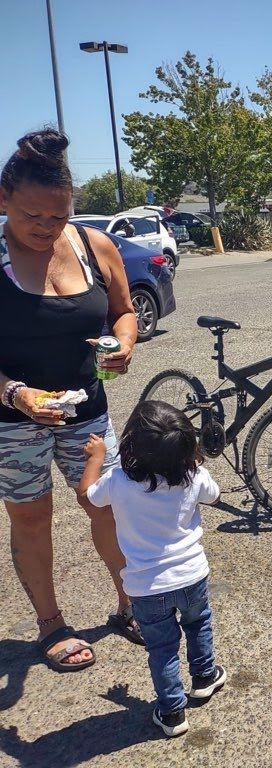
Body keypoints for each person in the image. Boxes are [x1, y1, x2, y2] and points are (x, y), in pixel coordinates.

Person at [0, 129, 140, 671]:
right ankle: (51, 623)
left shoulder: (91, 244)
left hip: (86, 408)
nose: (46, 228)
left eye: (57, 217)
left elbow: (123, 311)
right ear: (3, 200)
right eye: (33, 216)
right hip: (13, 417)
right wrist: (16, 392)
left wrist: (123, 344)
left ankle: (131, 603)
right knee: (32, 519)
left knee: (106, 504)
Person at [79, 400, 227, 737]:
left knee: (162, 648)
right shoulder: (194, 475)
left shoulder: (117, 480)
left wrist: (96, 458)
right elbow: (215, 496)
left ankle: (173, 712)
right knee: (198, 623)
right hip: (192, 575)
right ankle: (204, 677)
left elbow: (88, 497)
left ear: (131, 444)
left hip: (147, 586)